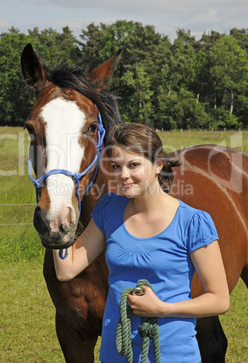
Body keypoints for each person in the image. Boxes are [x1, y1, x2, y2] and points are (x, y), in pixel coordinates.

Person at [53, 122, 230, 363]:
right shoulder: (108, 209)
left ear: (158, 164)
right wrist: (57, 215)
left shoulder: (193, 222)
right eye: (116, 166)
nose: (123, 175)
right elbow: (66, 269)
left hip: (172, 355)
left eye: (133, 165)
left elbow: (219, 299)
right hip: (115, 355)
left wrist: (162, 309)